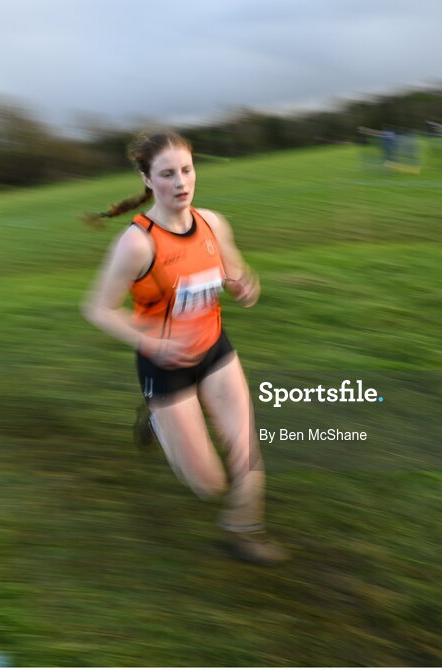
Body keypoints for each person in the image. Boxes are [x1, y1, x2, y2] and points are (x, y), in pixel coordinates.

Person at [81, 132, 288, 566]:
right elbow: (98, 308)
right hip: (165, 364)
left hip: (214, 349)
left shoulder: (213, 223)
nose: (180, 182)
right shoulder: (138, 243)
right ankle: (158, 422)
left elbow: (234, 275)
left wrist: (244, 286)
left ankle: (242, 529)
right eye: (167, 174)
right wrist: (150, 340)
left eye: (187, 170)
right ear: (146, 178)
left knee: (246, 450)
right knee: (208, 483)